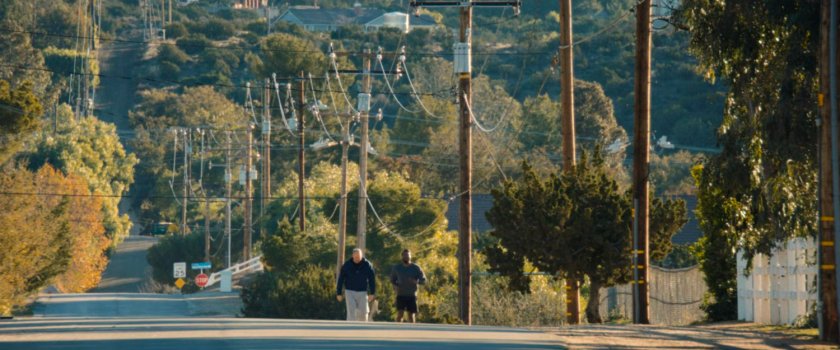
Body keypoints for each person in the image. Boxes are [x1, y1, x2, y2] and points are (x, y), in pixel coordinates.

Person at [336, 248, 376, 321]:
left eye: (359, 257)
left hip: (363, 292)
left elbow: (372, 279)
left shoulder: (368, 265)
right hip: (349, 291)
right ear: (352, 256)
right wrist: (339, 293)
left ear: (361, 256)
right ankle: (350, 329)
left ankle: (363, 329)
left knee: (363, 313)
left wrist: (372, 293)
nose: (357, 258)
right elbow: (341, 279)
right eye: (356, 257)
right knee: (351, 311)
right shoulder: (347, 265)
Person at [390, 249, 427, 323]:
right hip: (401, 294)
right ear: (402, 257)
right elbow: (392, 280)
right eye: (405, 255)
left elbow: (424, 280)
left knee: (411, 315)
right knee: (400, 314)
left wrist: (416, 281)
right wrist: (395, 287)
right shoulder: (397, 268)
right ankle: (397, 330)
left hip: (412, 295)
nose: (406, 257)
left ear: (410, 256)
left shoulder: (416, 268)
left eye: (408, 255)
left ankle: (412, 331)